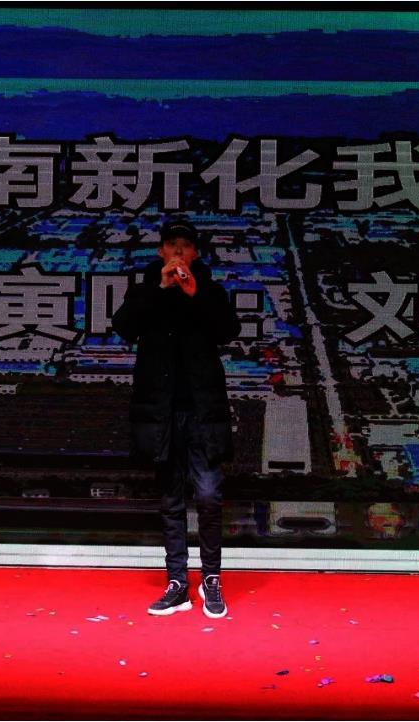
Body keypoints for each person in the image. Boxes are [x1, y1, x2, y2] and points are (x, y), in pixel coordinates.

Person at [111, 218, 240, 618]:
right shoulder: (145, 290)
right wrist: (161, 288)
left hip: (203, 412)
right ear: (161, 251)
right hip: (162, 414)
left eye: (186, 245)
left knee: (209, 495)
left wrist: (194, 292)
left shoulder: (210, 290)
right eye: (172, 245)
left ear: (196, 253)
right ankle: (177, 583)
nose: (179, 251)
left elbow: (228, 330)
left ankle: (212, 578)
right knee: (170, 498)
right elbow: (124, 326)